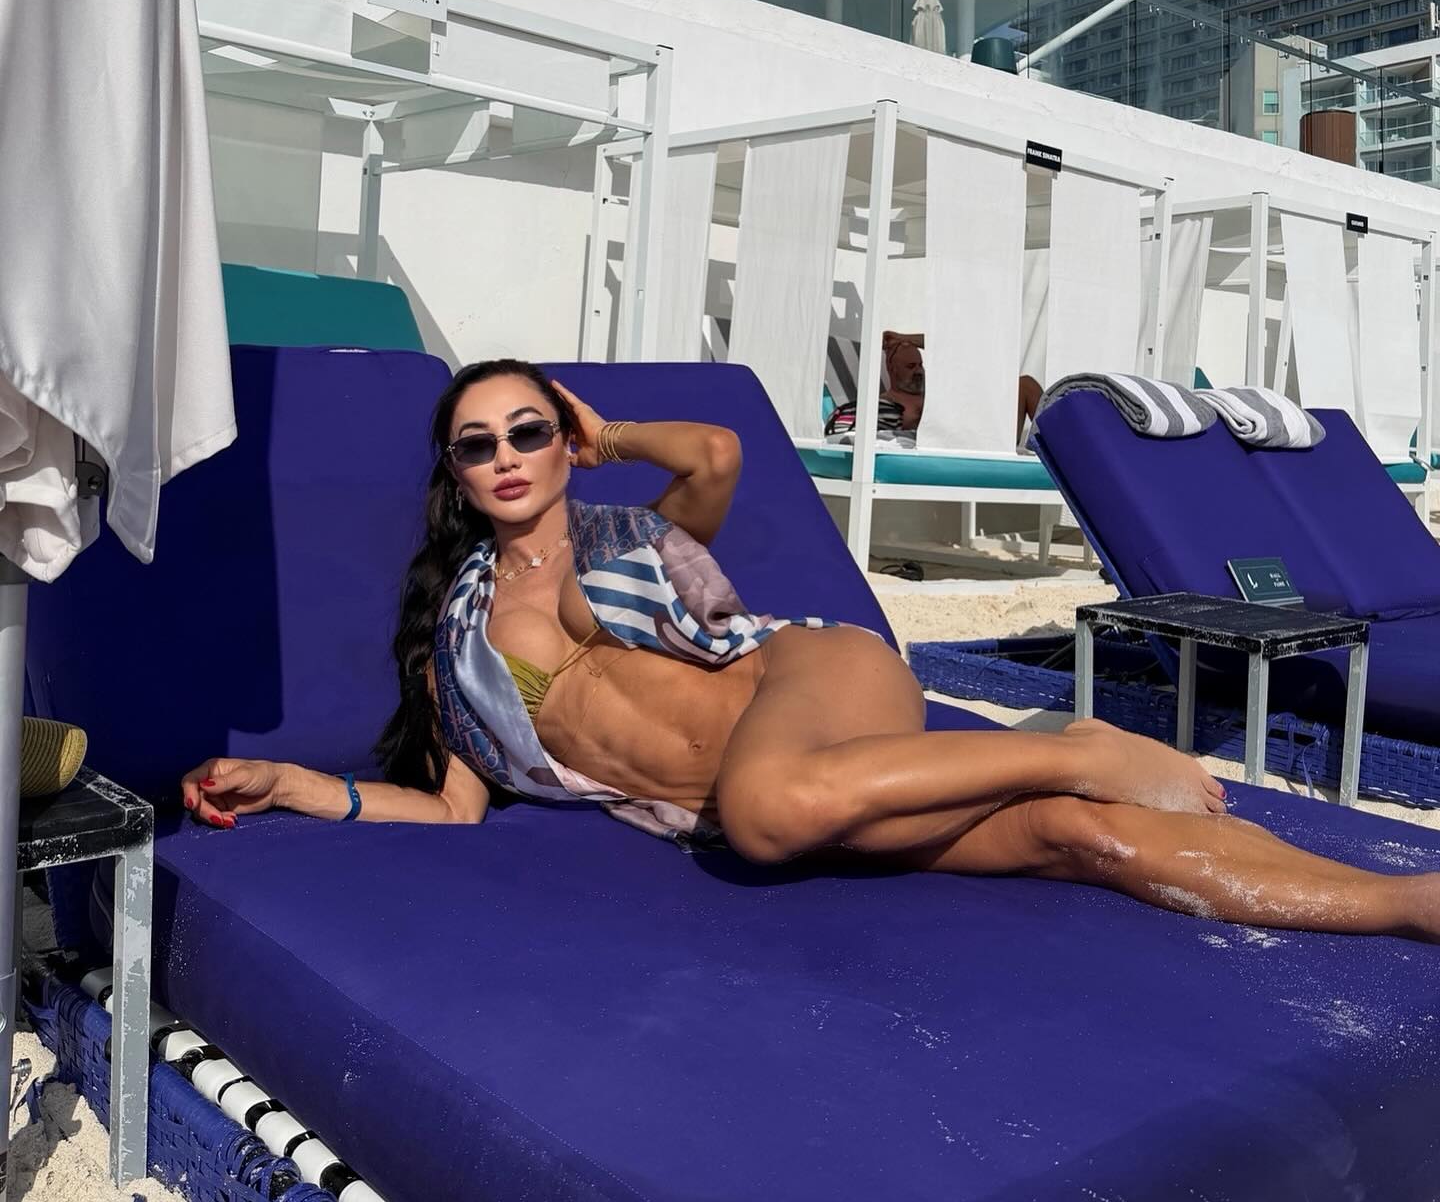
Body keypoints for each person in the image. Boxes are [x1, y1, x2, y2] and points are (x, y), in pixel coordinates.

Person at [180, 360, 1440, 943]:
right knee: (1078, 841)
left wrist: (609, 433)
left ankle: (1078, 744)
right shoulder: (451, 647)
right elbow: (454, 810)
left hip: (809, 685)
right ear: (453, 473)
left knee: (771, 805)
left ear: (563, 443)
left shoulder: (632, 534)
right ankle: (1403, 904)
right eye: (477, 443)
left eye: (530, 430)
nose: (506, 455)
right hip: (792, 797)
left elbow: (717, 453)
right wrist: (294, 784)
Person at [826, 333, 1044, 447]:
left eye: (920, 365)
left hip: (985, 430)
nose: (918, 371)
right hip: (968, 442)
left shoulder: (934, 389)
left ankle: (1058, 448)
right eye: (910, 366)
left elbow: (957, 347)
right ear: (891, 369)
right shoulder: (886, 403)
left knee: (1026, 385)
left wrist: (906, 338)